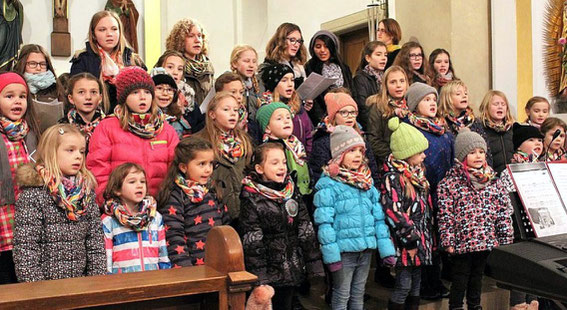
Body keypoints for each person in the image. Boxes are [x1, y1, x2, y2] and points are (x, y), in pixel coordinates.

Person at [314, 125, 396, 309]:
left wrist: (387, 250)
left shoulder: (366, 182)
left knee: (358, 293)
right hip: (343, 253)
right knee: (342, 294)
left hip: (365, 250)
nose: (358, 155)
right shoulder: (328, 185)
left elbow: (378, 219)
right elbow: (324, 224)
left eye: (360, 150)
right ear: (339, 155)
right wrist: (332, 256)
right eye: (351, 151)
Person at [13, 124, 106, 282]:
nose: (78, 156)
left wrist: (95, 283)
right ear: (51, 153)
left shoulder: (86, 194)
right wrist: (38, 290)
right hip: (46, 288)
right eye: (70, 150)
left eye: (82, 151)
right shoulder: (33, 195)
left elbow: (95, 243)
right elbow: (26, 249)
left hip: (81, 285)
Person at [240, 142, 323, 310]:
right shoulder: (251, 197)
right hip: (270, 272)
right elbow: (253, 241)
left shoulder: (291, 190)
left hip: (293, 266)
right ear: (259, 169)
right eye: (274, 163)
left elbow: (305, 228)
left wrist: (314, 265)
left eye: (284, 162)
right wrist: (261, 279)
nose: (282, 167)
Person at [437, 129, 513, 310]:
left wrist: (505, 237)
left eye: (481, 151)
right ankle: (455, 306)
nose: (478, 156)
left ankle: (475, 305)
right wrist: (448, 240)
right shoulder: (450, 183)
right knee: (460, 277)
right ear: (462, 156)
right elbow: (445, 215)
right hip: (462, 242)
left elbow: (503, 211)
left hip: (486, 239)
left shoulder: (493, 180)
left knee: (478, 276)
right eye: (472, 152)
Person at [87, 66, 179, 205]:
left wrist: (170, 203)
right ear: (124, 97)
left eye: (147, 92)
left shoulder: (166, 130)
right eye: (135, 92)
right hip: (119, 209)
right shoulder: (106, 127)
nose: (143, 97)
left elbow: (175, 169)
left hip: (161, 207)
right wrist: (109, 202)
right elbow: (97, 170)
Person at [404, 82, 454, 299]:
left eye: (434, 99)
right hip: (421, 191)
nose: (432, 103)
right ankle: (424, 284)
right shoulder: (410, 129)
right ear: (415, 105)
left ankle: (436, 280)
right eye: (426, 100)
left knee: (437, 239)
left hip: (441, 192)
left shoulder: (443, 131)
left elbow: (450, 160)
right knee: (424, 239)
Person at [380, 117, 433, 310]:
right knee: (404, 285)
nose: (424, 156)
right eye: (420, 152)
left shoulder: (418, 175)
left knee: (416, 285)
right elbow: (394, 212)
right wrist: (410, 240)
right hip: (405, 242)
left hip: (420, 240)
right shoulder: (393, 178)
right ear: (407, 154)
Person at [157, 137, 229, 267]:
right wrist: (187, 271)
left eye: (211, 163)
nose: (208, 169)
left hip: (218, 264)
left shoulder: (212, 190)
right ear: (184, 167)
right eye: (202, 164)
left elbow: (226, 228)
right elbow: (174, 236)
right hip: (191, 269)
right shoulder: (175, 195)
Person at [0, 72, 40, 284]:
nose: (17, 101)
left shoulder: (32, 134)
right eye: (9, 96)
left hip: (29, 221)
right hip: (3, 219)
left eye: (22, 96)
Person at [101, 163, 170, 273]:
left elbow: (163, 255)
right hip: (123, 284)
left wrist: (166, 276)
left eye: (142, 181)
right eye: (132, 182)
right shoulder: (109, 221)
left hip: (153, 281)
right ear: (117, 190)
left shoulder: (155, 217)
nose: (139, 185)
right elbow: (106, 261)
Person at [70, 10, 145, 113]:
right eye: (102, 30)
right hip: (95, 118)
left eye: (114, 29)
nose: (109, 34)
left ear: (120, 32)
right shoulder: (82, 60)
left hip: (129, 118)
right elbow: (77, 96)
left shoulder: (134, 60)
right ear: (93, 34)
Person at [196, 91, 252, 224]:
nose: (233, 113)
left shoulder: (244, 141)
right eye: (226, 109)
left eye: (236, 110)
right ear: (212, 114)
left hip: (245, 210)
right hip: (215, 211)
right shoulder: (201, 142)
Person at [256, 102, 311, 196]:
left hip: (303, 192)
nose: (286, 121)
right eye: (279, 118)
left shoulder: (295, 143)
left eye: (288, 117)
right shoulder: (269, 149)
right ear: (267, 127)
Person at [260, 63, 314, 153]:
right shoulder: (267, 110)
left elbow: (309, 134)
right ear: (274, 84)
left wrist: (307, 157)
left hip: (301, 158)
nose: (290, 85)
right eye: (284, 80)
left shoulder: (297, 106)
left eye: (292, 80)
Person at [305, 30, 354, 124]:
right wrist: (322, 120)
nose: (322, 50)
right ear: (313, 49)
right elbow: (313, 98)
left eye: (326, 46)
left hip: (345, 114)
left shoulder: (343, 67)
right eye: (318, 47)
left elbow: (352, 90)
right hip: (322, 118)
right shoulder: (309, 67)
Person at [366, 66, 409, 166]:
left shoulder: (412, 104)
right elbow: (374, 141)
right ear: (385, 85)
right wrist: (397, 155)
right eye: (393, 82)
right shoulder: (378, 106)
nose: (399, 85)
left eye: (402, 81)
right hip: (388, 161)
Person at [14, 44, 62, 132]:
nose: (38, 68)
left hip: (51, 135)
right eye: (33, 64)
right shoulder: (14, 86)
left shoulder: (55, 87)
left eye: (43, 64)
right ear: (23, 64)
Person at [165, 18, 214, 105]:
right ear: (180, 40)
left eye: (199, 36)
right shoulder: (171, 64)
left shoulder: (207, 66)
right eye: (191, 36)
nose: (197, 40)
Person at [59, 72, 107, 151]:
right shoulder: (62, 127)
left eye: (93, 92)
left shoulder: (109, 126)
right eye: (81, 92)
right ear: (71, 98)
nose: (88, 97)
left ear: (100, 98)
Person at [352, 41, 388, 130]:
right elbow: (363, 108)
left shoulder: (386, 77)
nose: (383, 58)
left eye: (385, 55)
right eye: (378, 54)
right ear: (368, 58)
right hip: (372, 127)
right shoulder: (360, 78)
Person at [261, 22, 308, 88]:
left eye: (299, 41)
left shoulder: (298, 65)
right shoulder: (269, 66)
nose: (296, 45)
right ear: (281, 40)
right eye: (292, 40)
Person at [478, 90, 515, 174]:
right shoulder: (481, 129)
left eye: (503, 104)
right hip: (491, 176)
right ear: (486, 107)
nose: (500, 107)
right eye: (496, 104)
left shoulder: (513, 129)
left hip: (511, 176)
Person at [150, 67, 191, 138]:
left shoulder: (178, 119)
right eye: (159, 88)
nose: (165, 93)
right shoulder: (143, 118)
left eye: (169, 89)